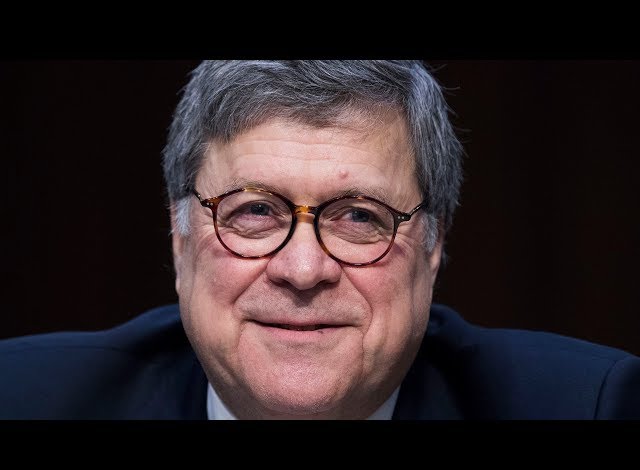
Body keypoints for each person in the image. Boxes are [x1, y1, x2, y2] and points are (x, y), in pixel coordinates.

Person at [1, 60, 639, 420]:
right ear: (179, 237)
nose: (303, 269)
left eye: (359, 217)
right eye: (255, 211)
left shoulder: (586, 407)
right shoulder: (23, 398)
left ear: (434, 245)